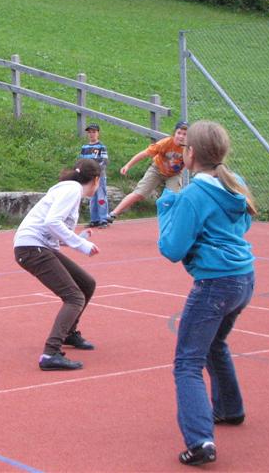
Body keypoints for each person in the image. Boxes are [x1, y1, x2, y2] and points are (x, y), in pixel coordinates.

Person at [156, 120, 256, 467]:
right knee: (215, 343)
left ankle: (199, 441)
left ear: (191, 154)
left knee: (187, 363)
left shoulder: (192, 195)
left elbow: (171, 248)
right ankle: (229, 408)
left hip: (215, 284)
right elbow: (243, 225)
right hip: (244, 277)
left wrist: (165, 208)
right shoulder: (235, 182)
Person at [13, 158, 101, 371]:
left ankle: (69, 333)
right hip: (31, 248)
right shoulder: (72, 190)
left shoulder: (69, 190)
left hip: (39, 246)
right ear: (96, 180)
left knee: (86, 284)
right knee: (74, 297)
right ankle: (50, 354)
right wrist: (81, 245)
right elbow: (52, 222)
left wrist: (77, 238)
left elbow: (53, 230)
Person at [108, 121, 189, 221]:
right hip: (157, 169)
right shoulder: (165, 143)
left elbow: (194, 163)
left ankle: (172, 220)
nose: (181, 136)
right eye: (179, 133)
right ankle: (113, 214)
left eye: (185, 134)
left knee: (173, 197)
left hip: (174, 174)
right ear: (174, 133)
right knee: (139, 193)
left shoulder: (190, 149)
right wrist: (128, 165)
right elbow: (145, 153)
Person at [79, 123, 110, 227]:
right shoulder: (84, 147)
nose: (91, 134)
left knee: (101, 196)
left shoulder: (101, 146)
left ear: (98, 133)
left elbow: (104, 161)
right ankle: (94, 219)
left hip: (99, 176)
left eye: (94, 132)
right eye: (89, 132)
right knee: (92, 197)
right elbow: (82, 161)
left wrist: (96, 171)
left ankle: (103, 219)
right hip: (89, 177)